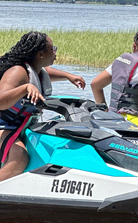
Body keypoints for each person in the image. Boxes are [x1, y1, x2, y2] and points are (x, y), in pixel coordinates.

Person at [0, 31, 86, 181]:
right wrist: (24, 88)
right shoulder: (17, 72)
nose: (55, 53)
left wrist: (68, 76)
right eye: (53, 49)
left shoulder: (36, 71)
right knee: (19, 158)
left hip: (18, 127)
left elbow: (47, 73)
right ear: (40, 54)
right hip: (3, 127)